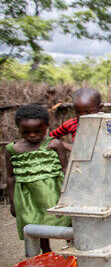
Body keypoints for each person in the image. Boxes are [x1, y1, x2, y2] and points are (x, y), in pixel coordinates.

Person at [5, 104, 71, 254]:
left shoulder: (54, 144)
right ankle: (46, 253)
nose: (32, 135)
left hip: (55, 193)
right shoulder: (12, 150)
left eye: (38, 131)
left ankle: (72, 250)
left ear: (46, 127)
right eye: (26, 132)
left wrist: (69, 193)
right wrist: (13, 203)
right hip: (29, 199)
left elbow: (65, 169)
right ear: (18, 129)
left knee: (67, 222)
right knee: (36, 223)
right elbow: (10, 177)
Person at [50, 87, 103, 151]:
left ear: (100, 108)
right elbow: (50, 138)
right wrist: (64, 145)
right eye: (78, 112)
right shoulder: (71, 124)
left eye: (88, 112)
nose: (82, 116)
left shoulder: (107, 125)